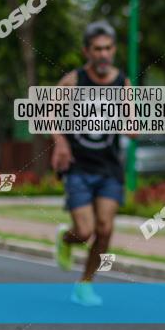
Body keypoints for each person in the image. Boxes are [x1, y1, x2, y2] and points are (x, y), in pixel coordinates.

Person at [51, 20, 132, 306]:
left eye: (108, 48)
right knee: (84, 232)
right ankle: (66, 239)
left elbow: (132, 126)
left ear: (114, 50)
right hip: (78, 167)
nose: (103, 54)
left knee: (105, 229)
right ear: (87, 51)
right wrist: (60, 142)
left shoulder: (122, 83)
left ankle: (84, 284)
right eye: (97, 49)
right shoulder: (73, 80)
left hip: (109, 169)